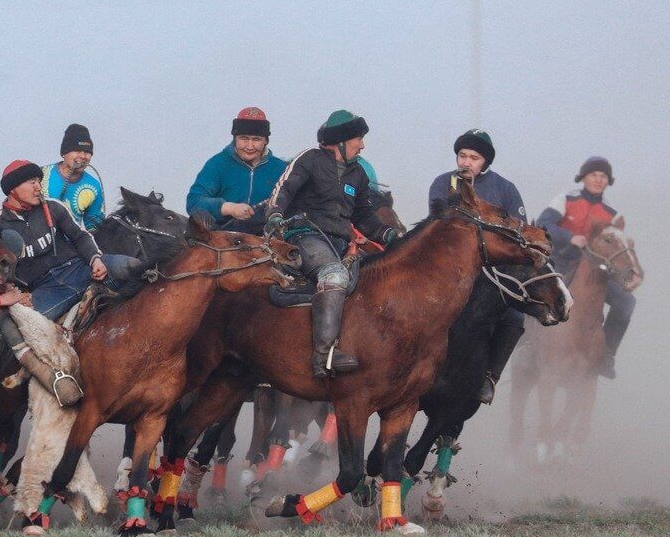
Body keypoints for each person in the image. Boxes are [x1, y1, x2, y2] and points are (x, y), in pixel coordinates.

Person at [265, 110, 400, 378]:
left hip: (339, 243)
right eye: (357, 139)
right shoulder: (310, 159)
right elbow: (283, 190)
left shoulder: (358, 174)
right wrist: (275, 215)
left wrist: (389, 235)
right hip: (306, 236)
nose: (362, 145)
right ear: (339, 140)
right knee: (335, 275)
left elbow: (363, 216)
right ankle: (323, 355)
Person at [427, 130, 528, 403]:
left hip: (493, 270)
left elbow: (518, 231)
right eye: (462, 156)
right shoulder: (442, 183)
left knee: (515, 318)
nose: (466, 162)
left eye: (473, 157)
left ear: (485, 162)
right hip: (450, 267)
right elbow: (437, 224)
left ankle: (490, 377)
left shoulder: (505, 189)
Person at [0, 159, 143, 320]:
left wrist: (95, 260)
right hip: (45, 290)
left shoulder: (53, 206)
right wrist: (16, 293)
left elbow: (80, 236)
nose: (38, 187)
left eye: (39, 181)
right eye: (32, 182)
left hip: (81, 270)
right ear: (12, 189)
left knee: (135, 268)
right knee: (26, 322)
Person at [536, 156, 636, 378]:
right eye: (594, 175)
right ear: (583, 177)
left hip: (595, 270)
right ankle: (527, 344)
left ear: (608, 181)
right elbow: (544, 224)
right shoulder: (565, 199)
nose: (598, 180)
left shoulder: (612, 214)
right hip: (562, 261)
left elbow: (617, 248)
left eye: (603, 176)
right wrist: (570, 237)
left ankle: (606, 355)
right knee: (535, 291)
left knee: (627, 301)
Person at [186, 107, 287, 233]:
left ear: (266, 141)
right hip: (223, 238)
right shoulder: (218, 164)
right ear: (235, 138)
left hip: (267, 238)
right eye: (244, 138)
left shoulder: (281, 169)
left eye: (256, 139)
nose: (249, 146)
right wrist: (228, 208)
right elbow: (193, 202)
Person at [42, 123, 106, 230]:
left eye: (87, 152)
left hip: (71, 243)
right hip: (37, 241)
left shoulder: (93, 186)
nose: (82, 156)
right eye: (77, 151)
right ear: (64, 153)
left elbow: (95, 225)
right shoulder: (41, 175)